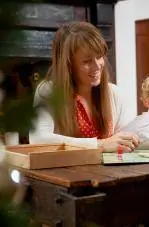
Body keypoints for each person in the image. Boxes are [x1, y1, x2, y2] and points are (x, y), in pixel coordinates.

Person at [29, 21, 139, 152]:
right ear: (68, 66)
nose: (97, 66)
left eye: (99, 57)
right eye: (86, 61)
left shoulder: (115, 93)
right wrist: (100, 144)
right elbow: (38, 139)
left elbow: (125, 140)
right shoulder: (49, 91)